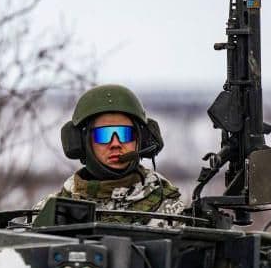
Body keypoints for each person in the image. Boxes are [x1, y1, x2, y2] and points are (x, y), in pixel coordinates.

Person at [37, 84, 183, 222]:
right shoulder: (53, 210)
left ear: (141, 139)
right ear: (82, 143)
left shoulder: (168, 208)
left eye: (125, 133)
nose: (115, 144)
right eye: (103, 135)